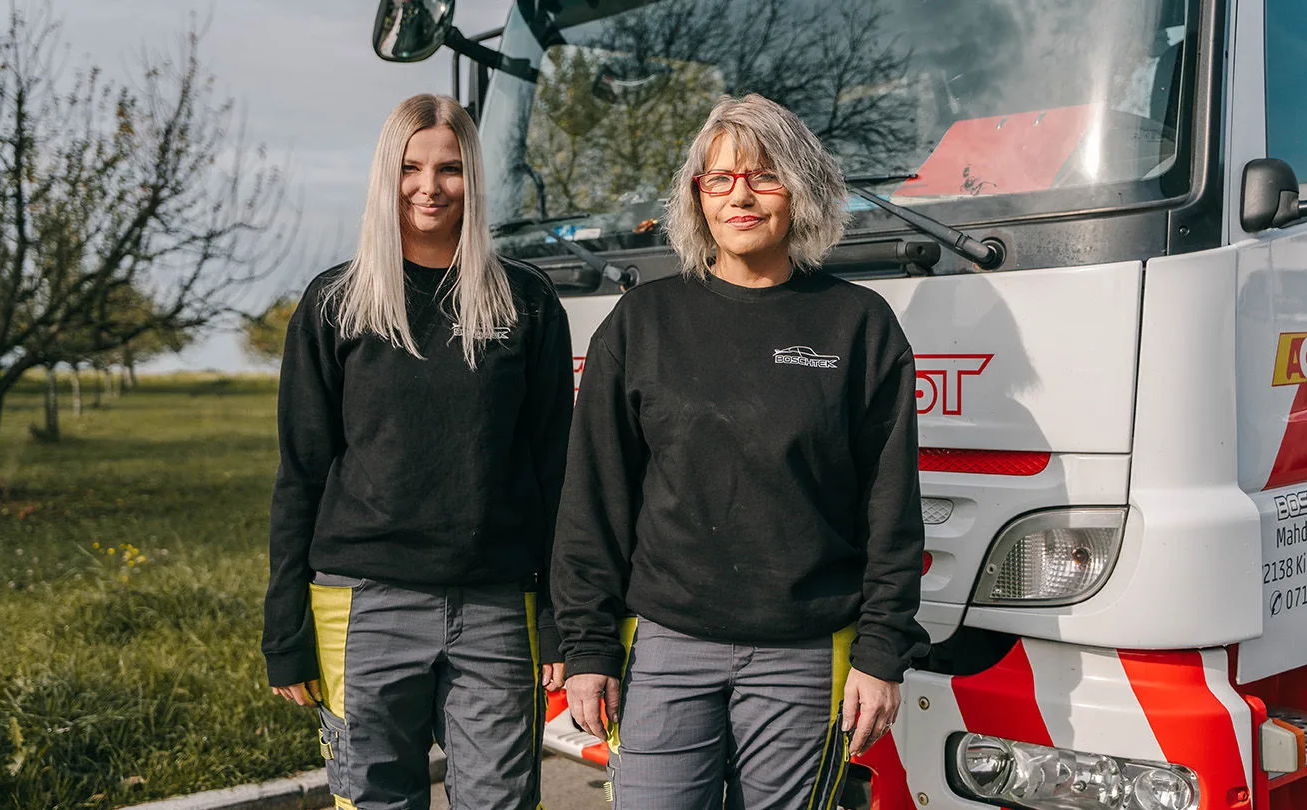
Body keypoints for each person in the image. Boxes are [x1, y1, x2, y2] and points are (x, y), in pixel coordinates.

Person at [552, 93, 928, 809]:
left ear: (801, 189)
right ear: (698, 196)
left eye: (764, 176)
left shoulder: (859, 324)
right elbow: (594, 499)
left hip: (805, 654)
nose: (740, 196)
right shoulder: (642, 321)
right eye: (720, 178)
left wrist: (882, 653)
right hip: (666, 646)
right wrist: (588, 646)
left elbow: (891, 510)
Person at [262, 93, 573, 810]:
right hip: (363, 604)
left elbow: (557, 474)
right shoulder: (335, 303)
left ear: (474, 178)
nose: (428, 186)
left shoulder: (525, 303)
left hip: (498, 605)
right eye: (410, 167)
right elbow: (301, 474)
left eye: (449, 168)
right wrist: (285, 629)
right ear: (386, 174)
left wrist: (562, 618)